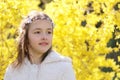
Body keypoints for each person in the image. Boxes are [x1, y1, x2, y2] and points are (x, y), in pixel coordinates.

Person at [4, 10, 76, 80]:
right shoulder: (13, 71)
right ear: (26, 36)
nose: (44, 37)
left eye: (49, 32)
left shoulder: (63, 67)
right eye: (38, 32)